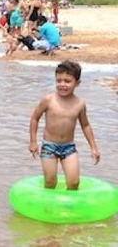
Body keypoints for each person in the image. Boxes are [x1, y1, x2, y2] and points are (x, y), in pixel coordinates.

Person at [29, 60, 100, 190]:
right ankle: (48, 208)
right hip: (49, 147)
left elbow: (85, 125)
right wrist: (33, 142)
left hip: (69, 148)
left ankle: (69, 208)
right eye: (59, 80)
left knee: (74, 183)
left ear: (77, 83)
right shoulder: (48, 100)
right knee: (50, 181)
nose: (62, 84)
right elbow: (35, 118)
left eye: (67, 81)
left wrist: (93, 147)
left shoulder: (79, 104)